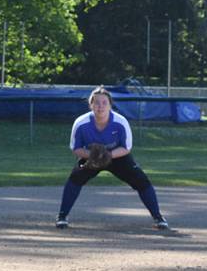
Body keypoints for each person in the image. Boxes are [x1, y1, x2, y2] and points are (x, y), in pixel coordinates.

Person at [55, 85, 169, 230]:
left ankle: (158, 217)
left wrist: (108, 155)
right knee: (75, 178)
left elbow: (126, 148)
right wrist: (93, 155)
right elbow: (76, 149)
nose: (100, 106)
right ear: (91, 105)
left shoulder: (120, 122)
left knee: (141, 181)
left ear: (110, 105)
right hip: (92, 157)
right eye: (96, 102)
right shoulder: (81, 123)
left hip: (117, 157)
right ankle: (62, 216)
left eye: (104, 103)